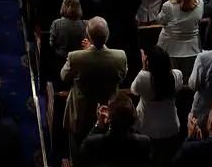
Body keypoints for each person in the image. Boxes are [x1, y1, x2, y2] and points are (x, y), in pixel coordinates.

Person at [61, 16, 128, 149]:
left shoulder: (75, 57)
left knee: (79, 145)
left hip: (81, 112)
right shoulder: (120, 56)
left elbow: (64, 76)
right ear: (107, 36)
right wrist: (93, 49)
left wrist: (88, 51)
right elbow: (122, 78)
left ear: (88, 36)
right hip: (109, 111)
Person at [130, 46, 185, 158]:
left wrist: (144, 68)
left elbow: (133, 90)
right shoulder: (176, 75)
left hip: (146, 127)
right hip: (171, 126)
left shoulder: (143, 78)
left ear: (149, 62)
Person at [157, 0, 206, 74]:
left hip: (169, 48)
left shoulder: (168, 6)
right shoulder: (200, 3)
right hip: (192, 48)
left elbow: (160, 20)